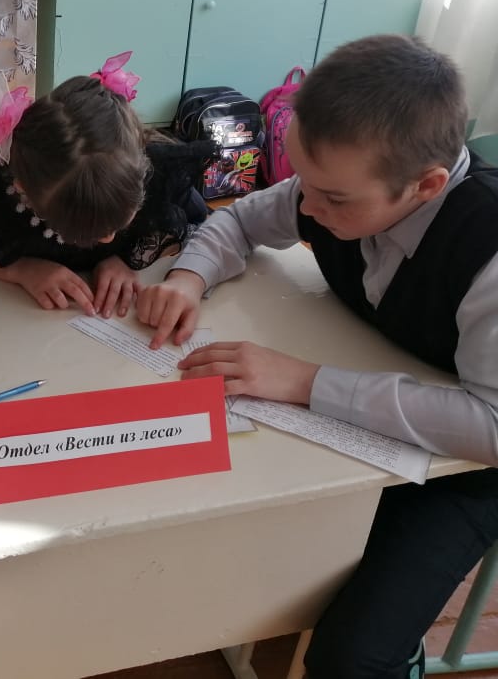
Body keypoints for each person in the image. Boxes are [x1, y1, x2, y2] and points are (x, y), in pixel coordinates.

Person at [135, 34, 498, 678]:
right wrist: (188, 277)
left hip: (467, 469)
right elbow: (239, 220)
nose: (306, 206)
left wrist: (305, 382)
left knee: (353, 658)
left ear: (426, 186)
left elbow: (492, 427)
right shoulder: (337, 187)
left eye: (333, 198)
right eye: (303, 179)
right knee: (219, 524)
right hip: (376, 410)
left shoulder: (486, 250)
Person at [0, 52, 209, 318]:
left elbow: (201, 230)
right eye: (86, 231)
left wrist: (127, 259)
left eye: (120, 224)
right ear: (24, 190)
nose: (108, 240)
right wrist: (17, 270)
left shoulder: (157, 172)